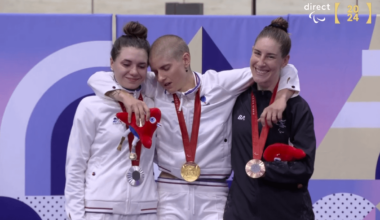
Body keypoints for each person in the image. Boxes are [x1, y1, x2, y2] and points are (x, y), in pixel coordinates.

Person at [87, 33, 301, 219]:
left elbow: (285, 69)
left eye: (166, 68)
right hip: (169, 192)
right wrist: (125, 97)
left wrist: (282, 99)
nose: (160, 77)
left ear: (186, 59)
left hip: (213, 193)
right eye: (156, 70)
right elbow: (98, 78)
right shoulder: (155, 86)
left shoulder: (220, 84)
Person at [223, 17, 316, 220]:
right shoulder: (237, 98)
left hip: (286, 213)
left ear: (284, 61)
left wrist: (266, 168)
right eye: (257, 53)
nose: (261, 62)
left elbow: (304, 167)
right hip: (241, 213)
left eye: (270, 57)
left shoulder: (296, 108)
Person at [65, 21, 158, 220]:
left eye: (141, 66)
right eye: (126, 64)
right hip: (99, 210)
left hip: (146, 210)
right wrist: (75, 215)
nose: (134, 71)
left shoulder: (154, 105)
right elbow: (76, 164)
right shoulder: (91, 106)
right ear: (111, 63)